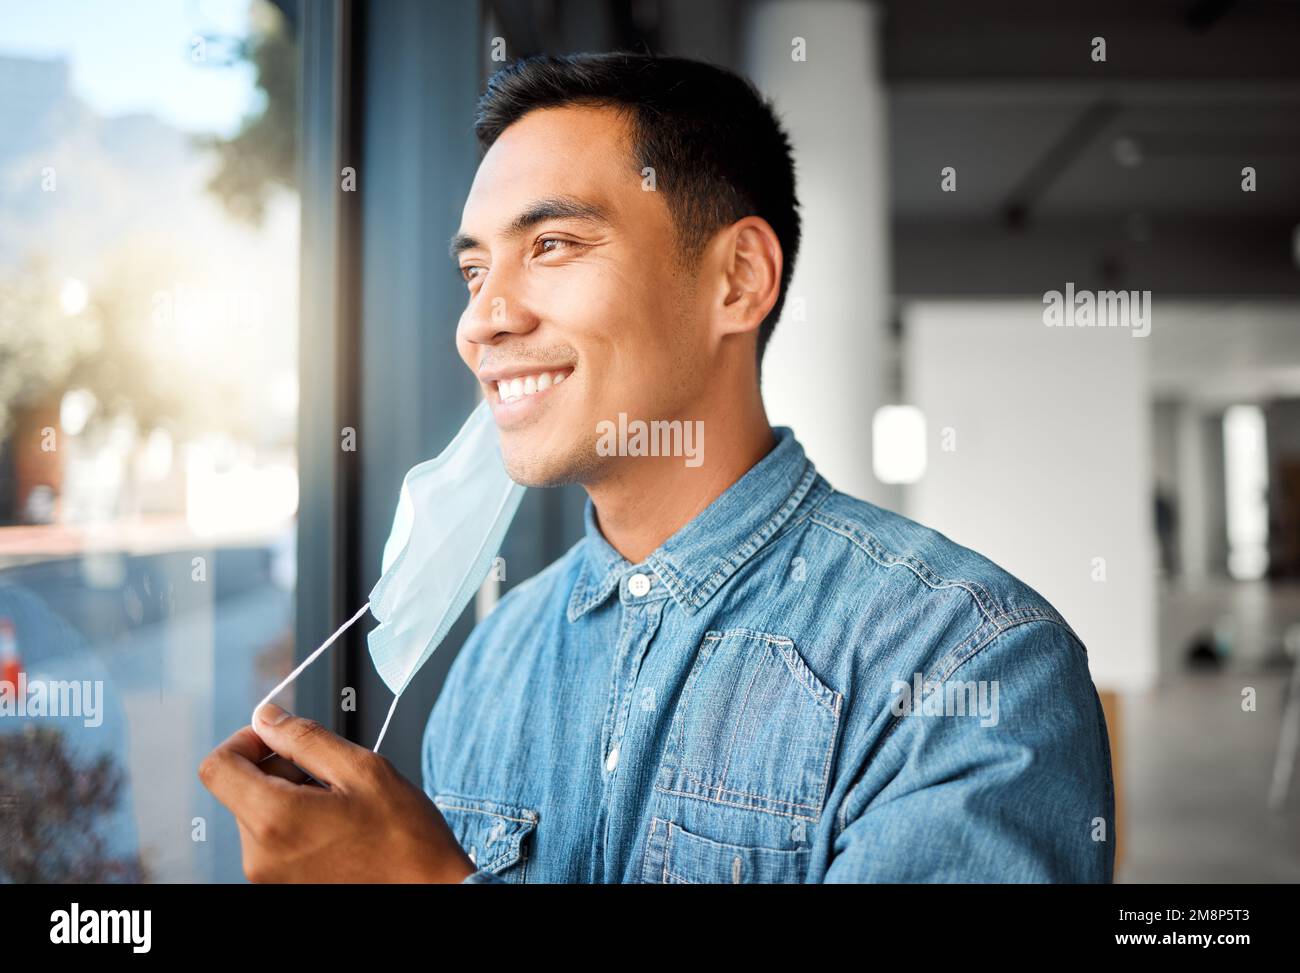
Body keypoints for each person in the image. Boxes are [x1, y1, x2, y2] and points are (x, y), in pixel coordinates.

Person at [199, 52, 1114, 884]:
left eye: (551, 245)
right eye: (474, 272)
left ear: (739, 279)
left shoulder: (972, 663)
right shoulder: (492, 661)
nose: (481, 321)